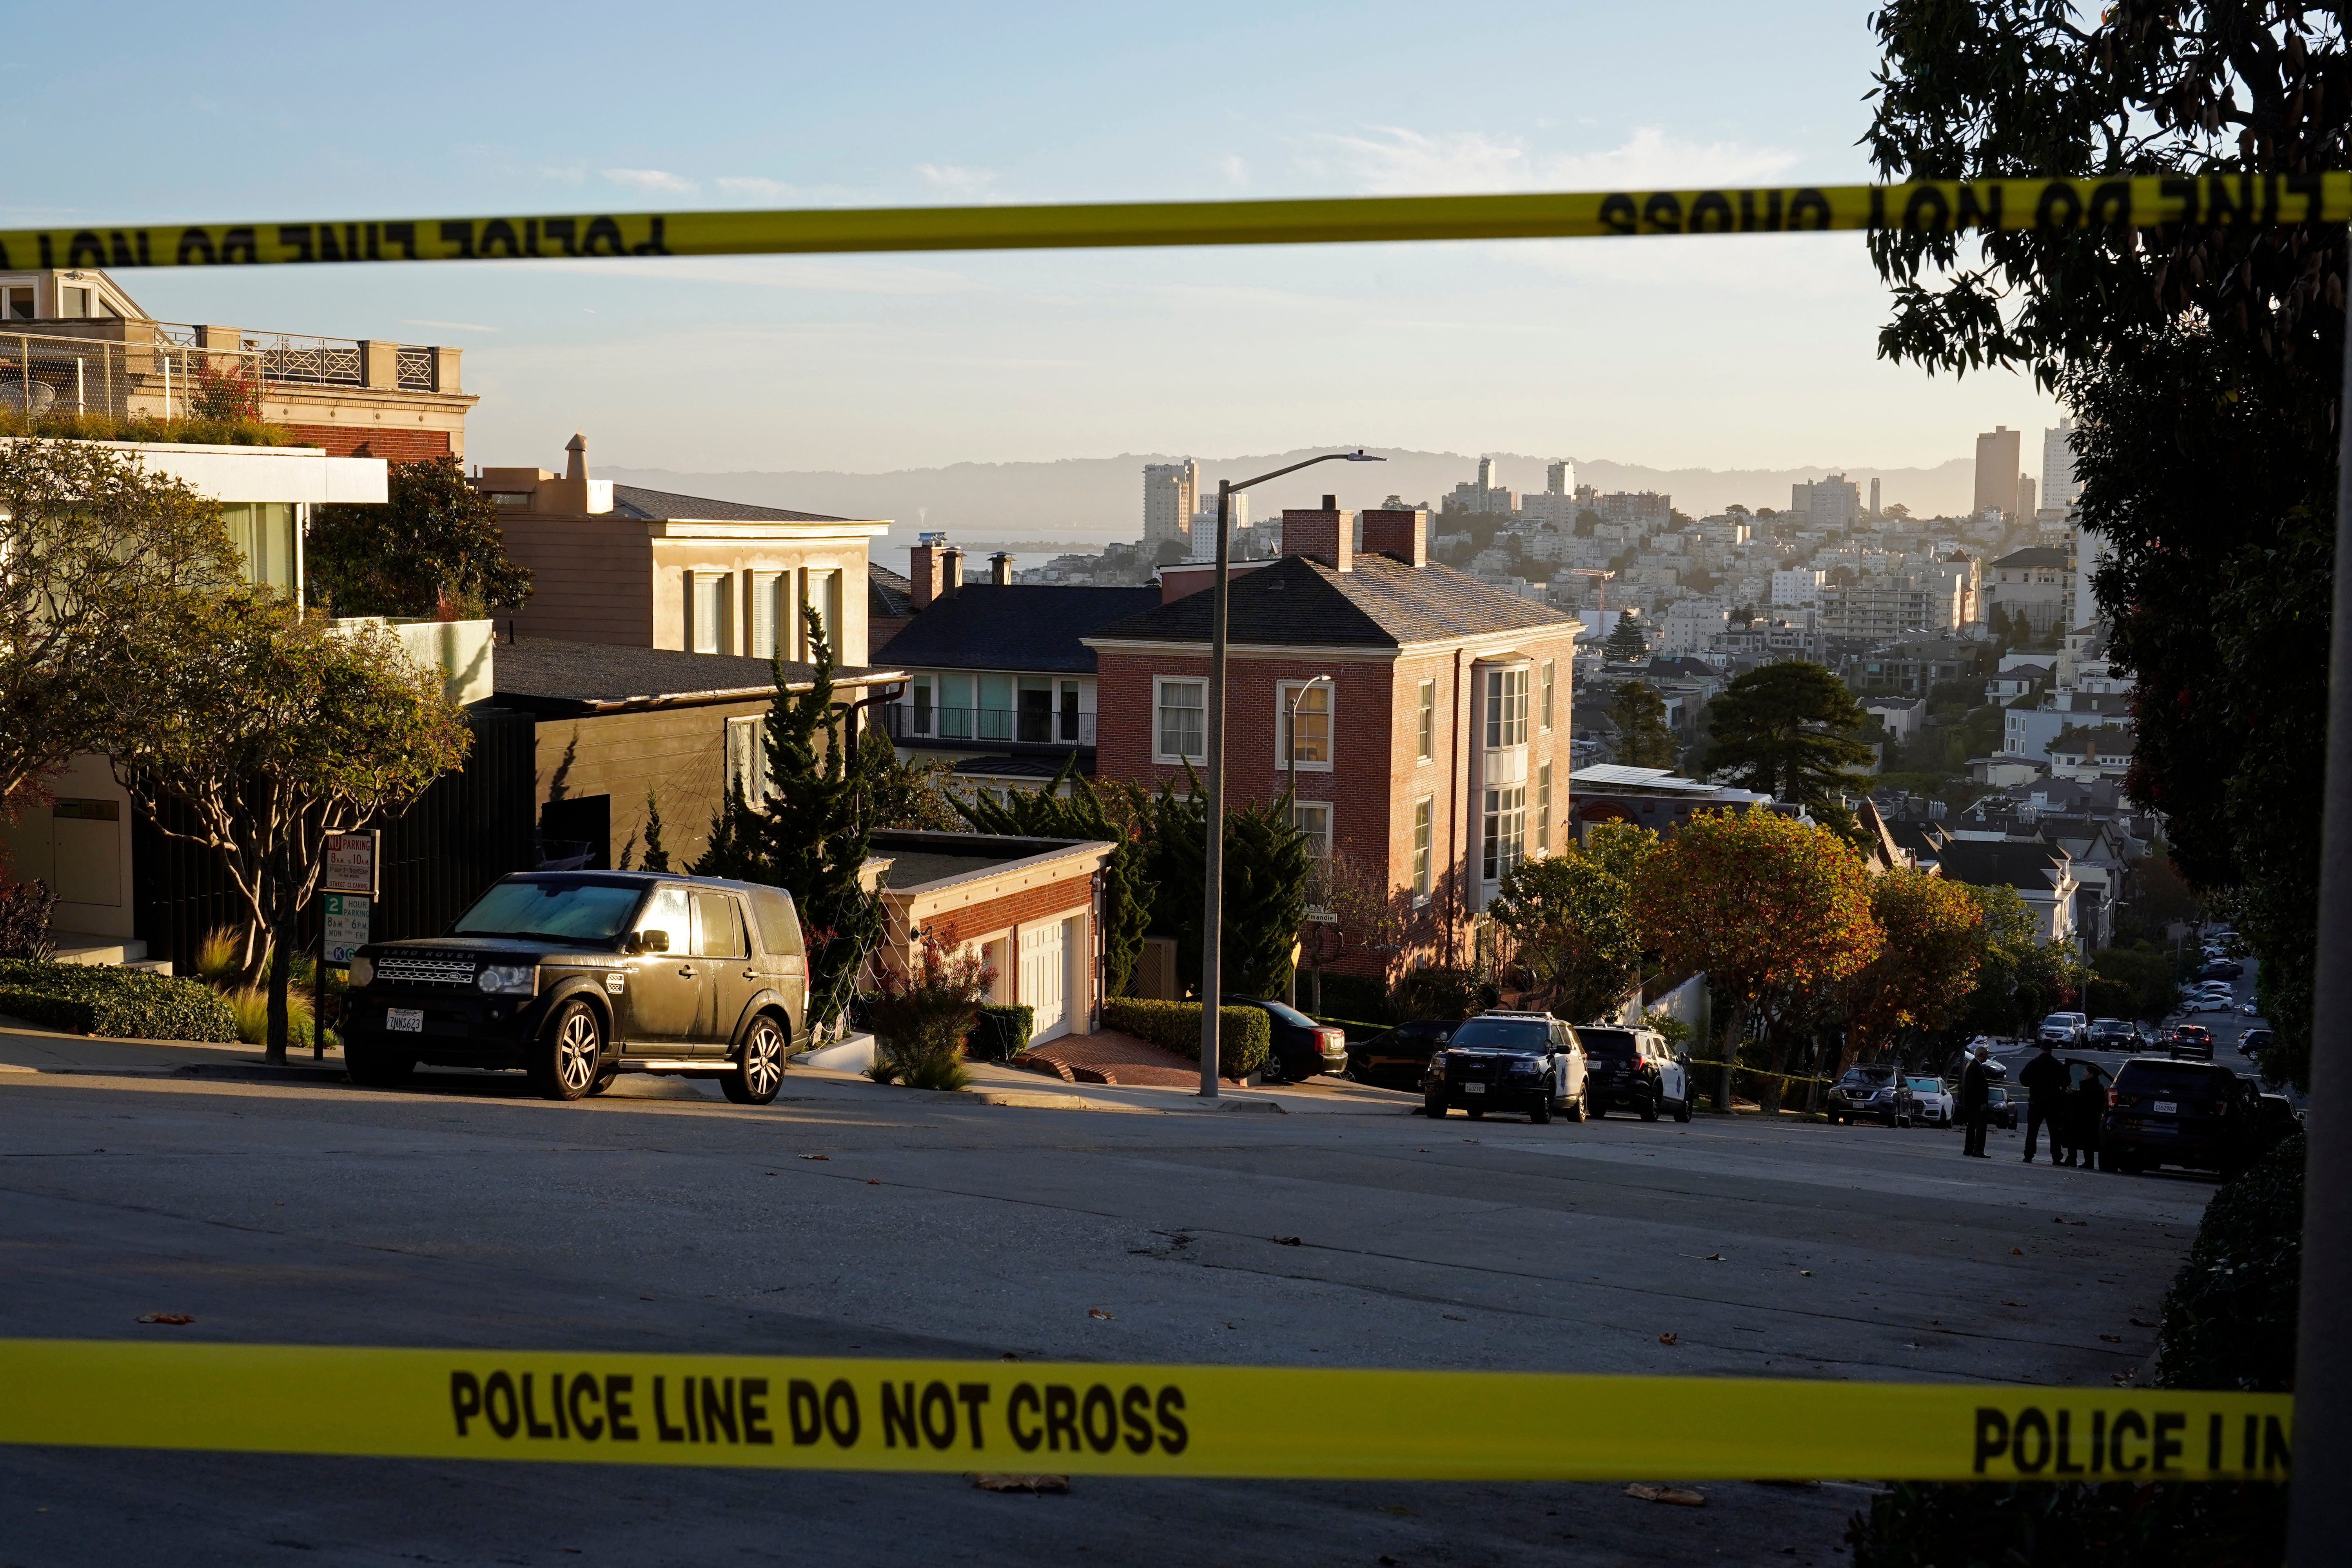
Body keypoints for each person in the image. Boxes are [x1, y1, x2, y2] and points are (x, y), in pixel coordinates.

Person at [2018, 1040, 2069, 1164]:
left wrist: (2034, 1084)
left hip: (2036, 1102)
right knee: (2055, 1131)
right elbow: (2067, 1081)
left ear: (2041, 1049)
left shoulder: (2034, 1064)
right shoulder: (2057, 1065)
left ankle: (2029, 1155)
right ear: (2052, 1050)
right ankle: (2056, 1157)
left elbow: (2023, 1079)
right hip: (2053, 1103)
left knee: (2032, 1131)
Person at [1958, 1044, 1994, 1158]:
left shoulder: (1971, 1065)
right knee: (1981, 1127)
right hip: (1976, 1104)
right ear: (1981, 1055)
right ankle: (1978, 1150)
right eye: (1986, 1055)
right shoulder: (1975, 1067)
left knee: (1972, 1126)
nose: (1987, 1057)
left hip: (1971, 1103)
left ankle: (1969, 1149)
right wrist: (1982, 1103)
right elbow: (1975, 1088)